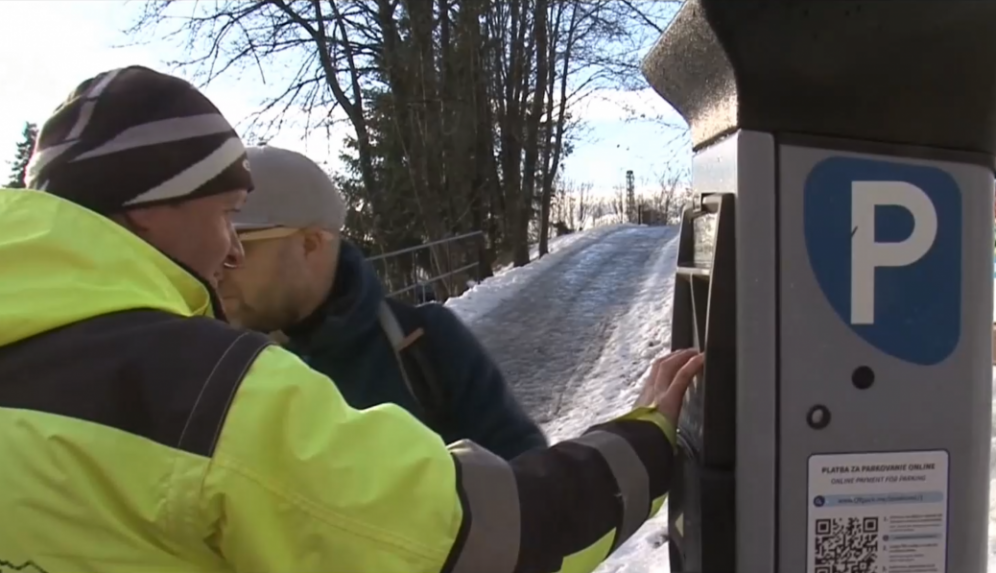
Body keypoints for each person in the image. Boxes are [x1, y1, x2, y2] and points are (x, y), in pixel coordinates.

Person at [0, 65, 704, 573]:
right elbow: (478, 536)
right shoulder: (206, 390)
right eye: (223, 213)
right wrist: (641, 440)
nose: (231, 246)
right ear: (151, 206)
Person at [218, 145, 547, 460]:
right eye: (215, 242)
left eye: (239, 245)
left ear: (310, 244)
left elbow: (523, 481)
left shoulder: (422, 344)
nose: (216, 265)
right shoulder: (211, 363)